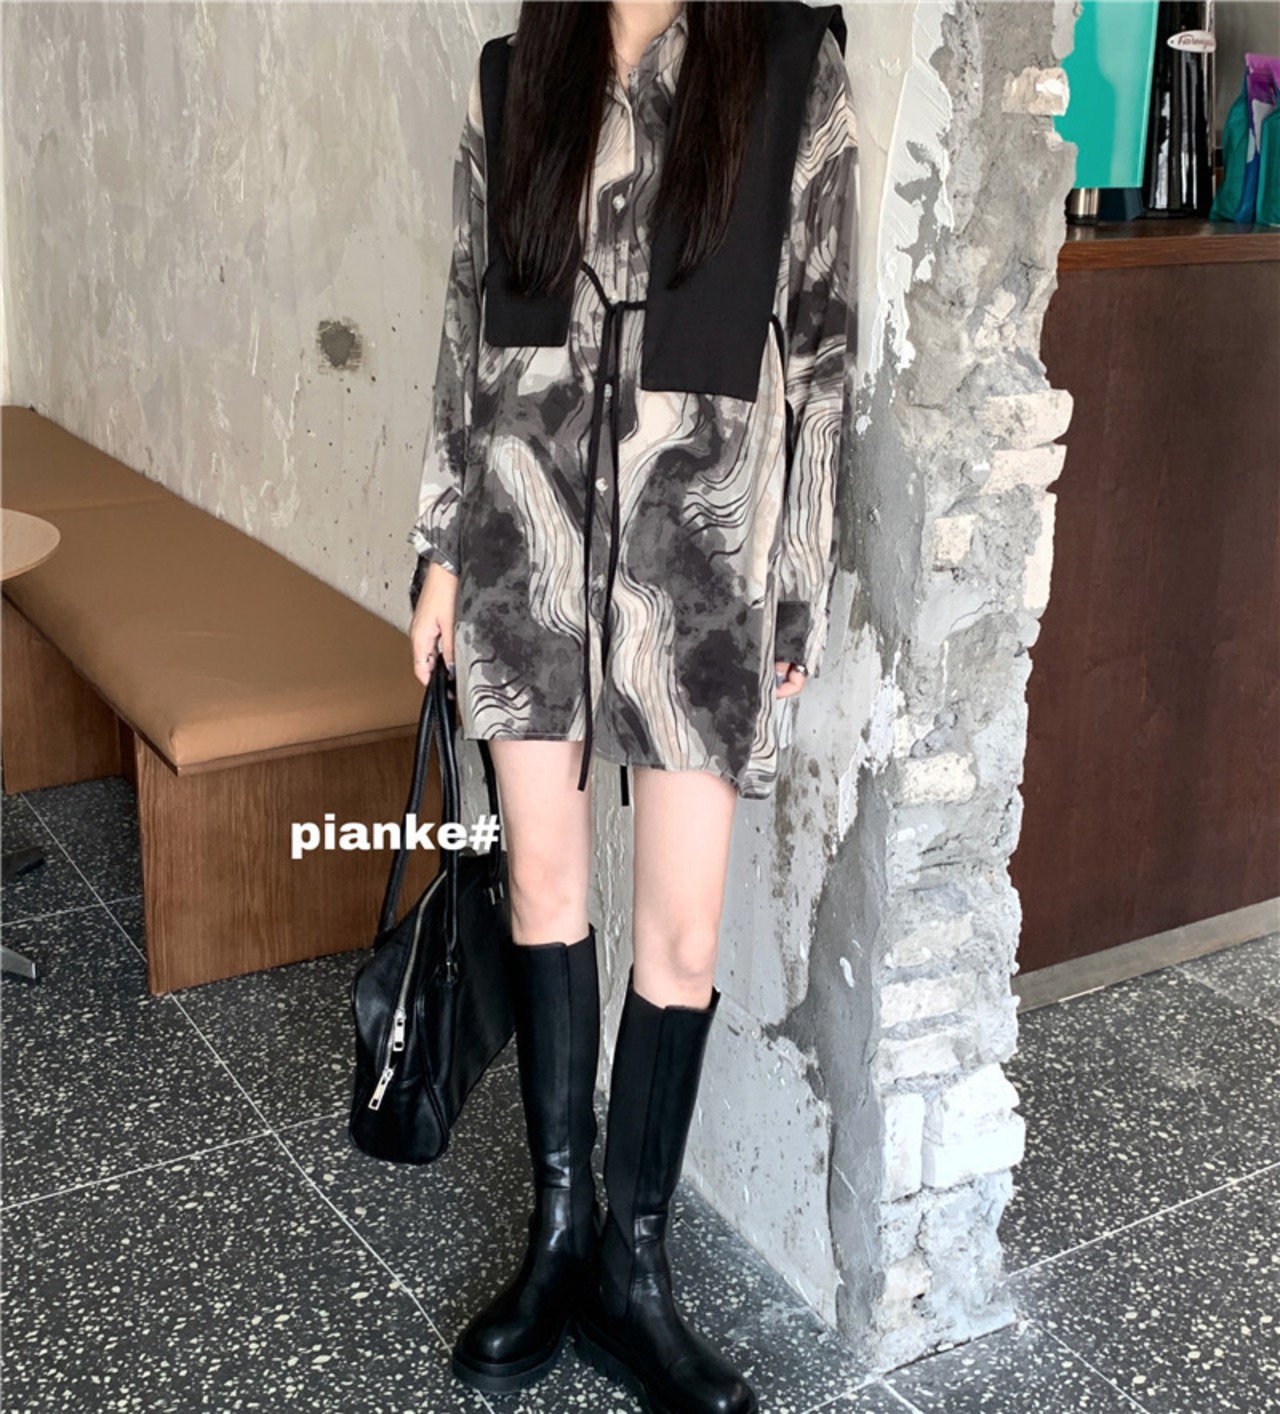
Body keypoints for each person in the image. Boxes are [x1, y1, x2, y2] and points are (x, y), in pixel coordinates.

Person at [406, 2, 856, 1409]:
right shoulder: (515, 77)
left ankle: (634, 1266)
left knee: (680, 929)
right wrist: (439, 550)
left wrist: (795, 587)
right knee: (544, 892)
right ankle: (561, 1231)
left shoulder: (790, 65)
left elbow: (825, 351)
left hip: (699, 564)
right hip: (522, 544)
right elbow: (468, 320)